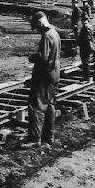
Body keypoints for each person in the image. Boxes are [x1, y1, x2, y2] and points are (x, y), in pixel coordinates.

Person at [25, 11, 61, 147]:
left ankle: (34, 139)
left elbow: (43, 57)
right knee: (50, 105)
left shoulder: (46, 36)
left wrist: (32, 57)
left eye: (37, 27)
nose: (38, 31)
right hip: (54, 75)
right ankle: (48, 137)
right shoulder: (55, 33)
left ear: (40, 22)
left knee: (36, 106)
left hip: (44, 76)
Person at [77, 12, 94, 82]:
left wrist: (79, 41)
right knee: (85, 62)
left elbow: (87, 38)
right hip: (86, 46)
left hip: (85, 47)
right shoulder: (88, 25)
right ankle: (86, 77)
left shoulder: (86, 26)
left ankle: (86, 78)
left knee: (85, 62)